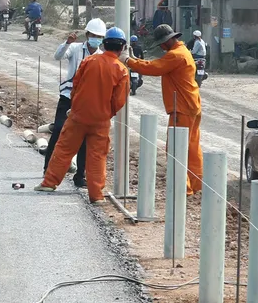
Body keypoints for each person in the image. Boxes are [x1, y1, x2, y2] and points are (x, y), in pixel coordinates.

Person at [36, 27, 130, 203]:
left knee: (64, 149)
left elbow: (75, 85)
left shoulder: (89, 61)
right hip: (101, 120)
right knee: (97, 156)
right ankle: (96, 195)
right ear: (122, 47)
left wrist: (77, 106)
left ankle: (49, 183)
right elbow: (119, 100)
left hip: (78, 116)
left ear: (104, 43)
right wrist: (106, 113)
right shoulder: (121, 70)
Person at [125, 24, 203, 195]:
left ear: (167, 41)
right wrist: (135, 60)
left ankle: (183, 189)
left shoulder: (175, 55)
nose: (160, 47)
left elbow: (153, 67)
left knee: (176, 148)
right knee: (192, 148)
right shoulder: (183, 51)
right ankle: (196, 184)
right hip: (192, 105)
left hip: (182, 108)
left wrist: (128, 61)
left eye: (161, 43)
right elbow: (155, 64)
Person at [45, 17, 107, 187]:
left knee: (84, 138)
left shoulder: (102, 57)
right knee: (58, 130)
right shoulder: (75, 48)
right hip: (68, 97)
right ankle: (47, 169)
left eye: (99, 37)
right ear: (87, 35)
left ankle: (80, 176)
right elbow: (58, 56)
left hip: (86, 102)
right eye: (93, 35)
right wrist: (67, 43)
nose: (96, 39)